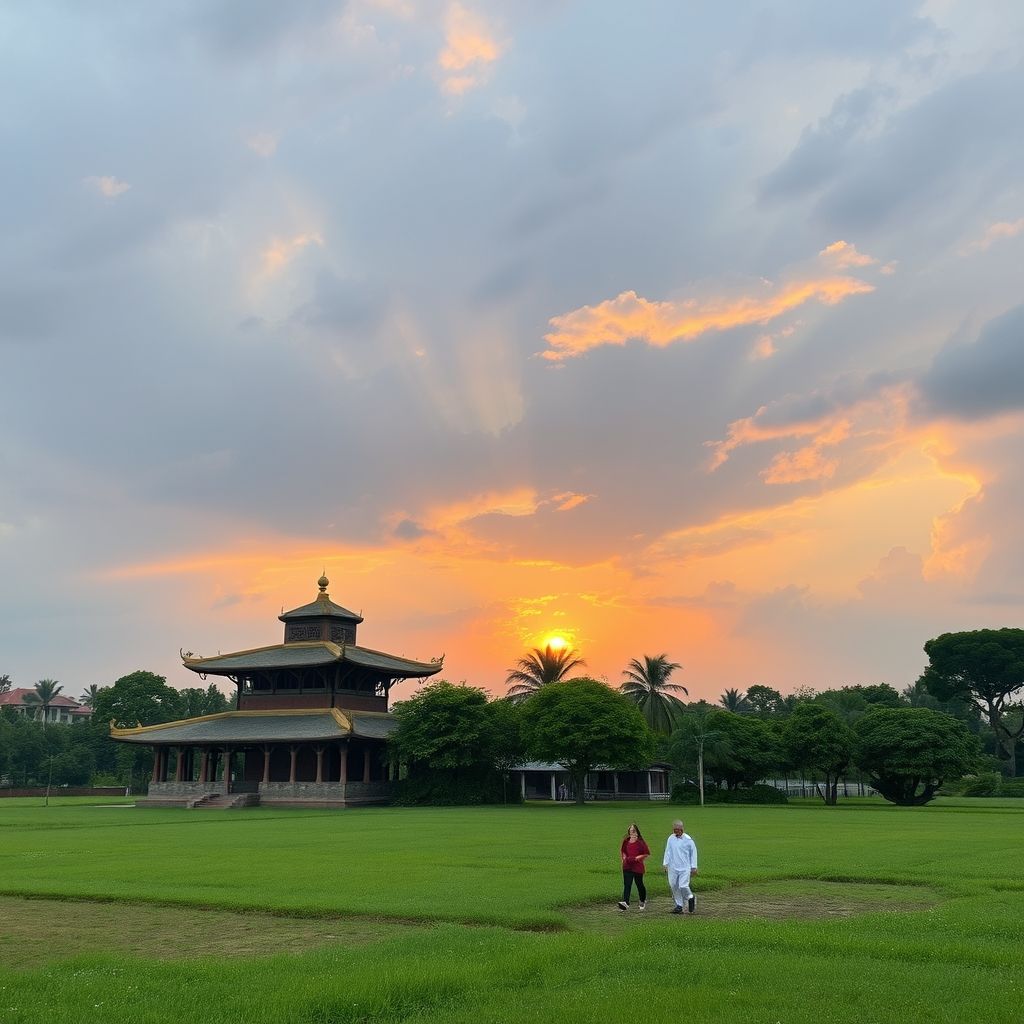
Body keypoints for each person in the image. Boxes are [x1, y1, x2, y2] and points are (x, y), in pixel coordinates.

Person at [662, 819, 698, 914]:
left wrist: (694, 867)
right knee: (673, 885)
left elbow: (693, 853)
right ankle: (679, 905)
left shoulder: (688, 840)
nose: (675, 832)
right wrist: (665, 863)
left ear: (682, 829)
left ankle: (690, 897)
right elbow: (668, 851)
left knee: (683, 885)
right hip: (672, 866)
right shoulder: (671, 838)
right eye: (674, 829)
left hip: (685, 867)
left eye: (677, 829)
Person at [617, 822, 650, 911]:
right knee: (627, 884)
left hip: (637, 866)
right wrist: (624, 858)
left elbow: (646, 853)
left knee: (639, 884)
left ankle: (642, 900)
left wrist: (638, 858)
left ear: (637, 832)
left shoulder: (640, 842)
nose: (632, 832)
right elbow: (623, 851)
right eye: (630, 830)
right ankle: (625, 903)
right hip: (627, 865)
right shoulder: (626, 841)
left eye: (633, 831)